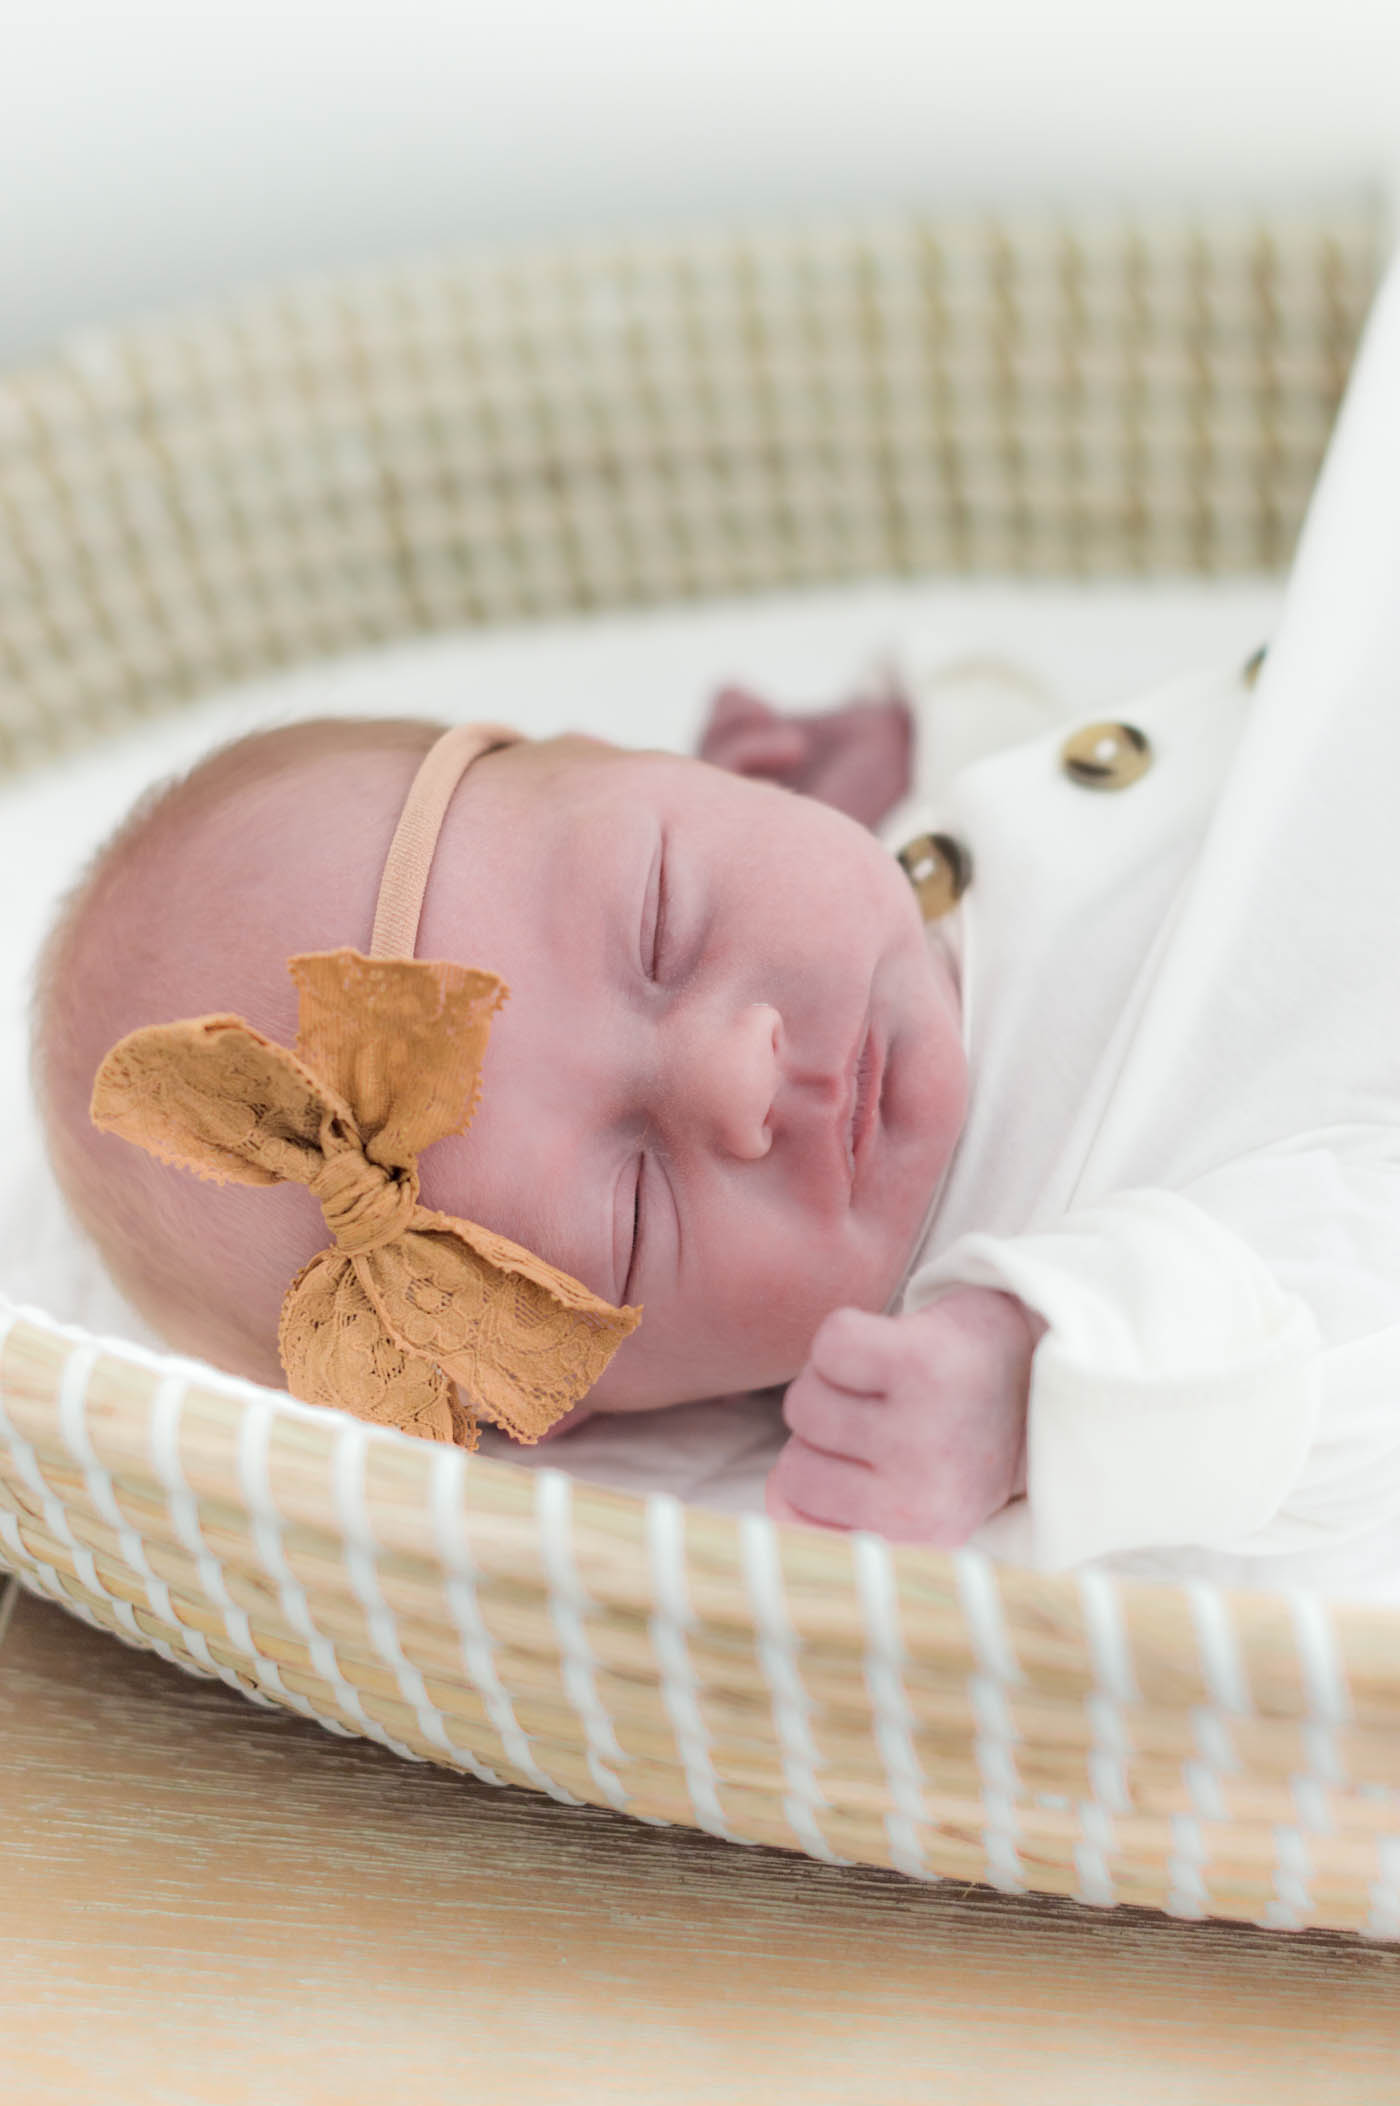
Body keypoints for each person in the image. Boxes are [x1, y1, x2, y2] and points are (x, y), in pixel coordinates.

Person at [31, 244, 1400, 1589]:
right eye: (634, 1210)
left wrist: (923, 748)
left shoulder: (891, 896)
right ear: (579, 1405)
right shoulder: (1053, 1260)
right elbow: (1346, 1281)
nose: (740, 1075)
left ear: (642, 758)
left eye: (661, 921)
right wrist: (1053, 1381)